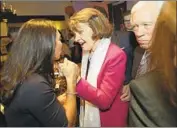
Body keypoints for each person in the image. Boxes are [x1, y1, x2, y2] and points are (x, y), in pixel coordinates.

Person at [0, 19, 77, 127]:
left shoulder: (23, 73)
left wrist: (54, 101)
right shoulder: (35, 85)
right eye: (59, 40)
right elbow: (68, 124)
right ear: (47, 45)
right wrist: (71, 81)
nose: (61, 44)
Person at [60, 8, 128, 127]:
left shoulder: (115, 55)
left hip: (108, 122)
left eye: (80, 32)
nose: (76, 39)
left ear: (95, 28)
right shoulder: (87, 52)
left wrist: (75, 78)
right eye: (74, 34)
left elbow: (104, 101)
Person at [128, 1, 177, 126]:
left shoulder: (171, 60)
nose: (139, 33)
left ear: (163, 25)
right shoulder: (138, 51)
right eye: (135, 26)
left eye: (146, 25)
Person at [93, 5, 138, 102]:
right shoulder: (86, 46)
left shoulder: (127, 37)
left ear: (105, 19)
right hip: (97, 94)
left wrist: (131, 83)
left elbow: (137, 63)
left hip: (123, 93)